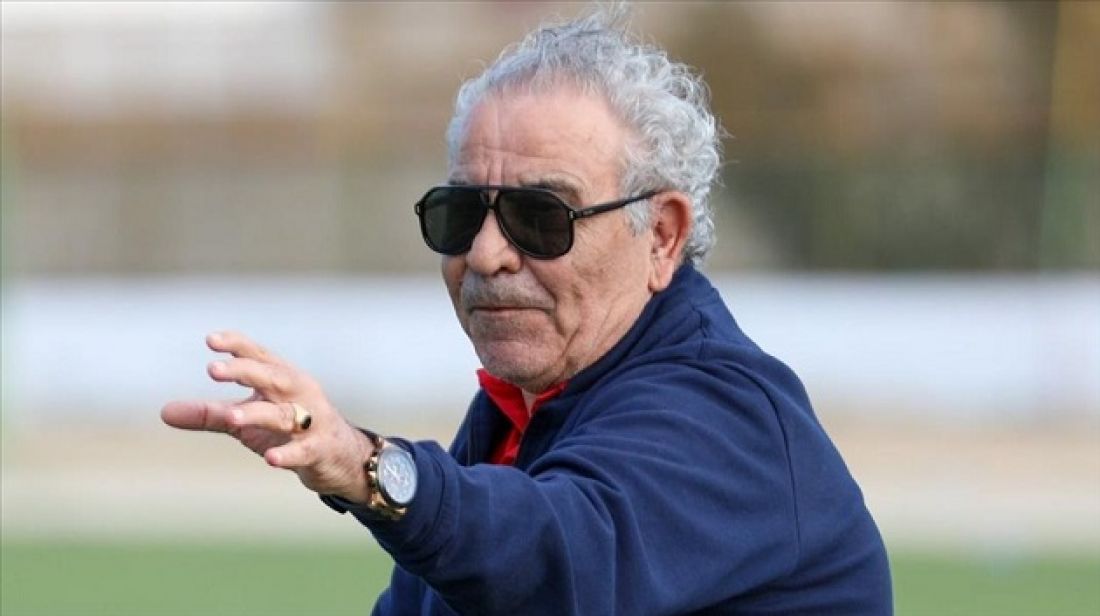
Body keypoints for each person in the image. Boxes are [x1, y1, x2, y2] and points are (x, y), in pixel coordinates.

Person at [162, 6, 892, 615]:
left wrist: (367, 465)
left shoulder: (723, 415)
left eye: (541, 216)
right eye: (460, 214)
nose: (486, 254)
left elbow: (556, 562)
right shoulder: (518, 413)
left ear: (662, 236)